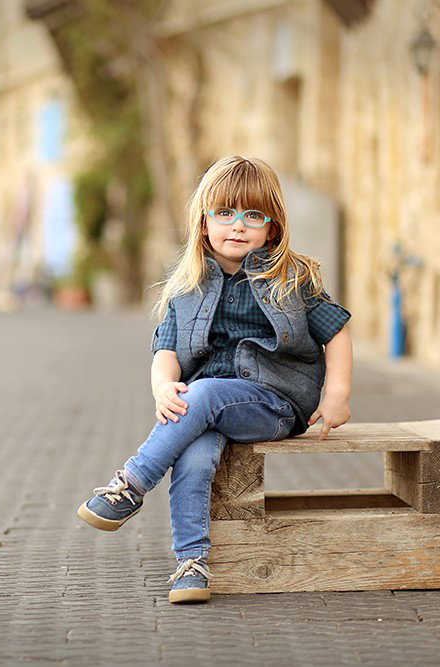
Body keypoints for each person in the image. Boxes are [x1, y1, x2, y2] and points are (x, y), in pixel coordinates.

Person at [77, 156, 354, 604]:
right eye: (224, 214)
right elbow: (164, 348)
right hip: (207, 408)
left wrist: (337, 394)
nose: (238, 226)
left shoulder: (291, 277)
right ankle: (192, 565)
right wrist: (163, 387)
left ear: (272, 227)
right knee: (194, 457)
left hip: (274, 403)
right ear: (204, 223)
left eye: (252, 216)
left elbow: (336, 331)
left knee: (202, 394)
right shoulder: (188, 282)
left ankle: (131, 484)